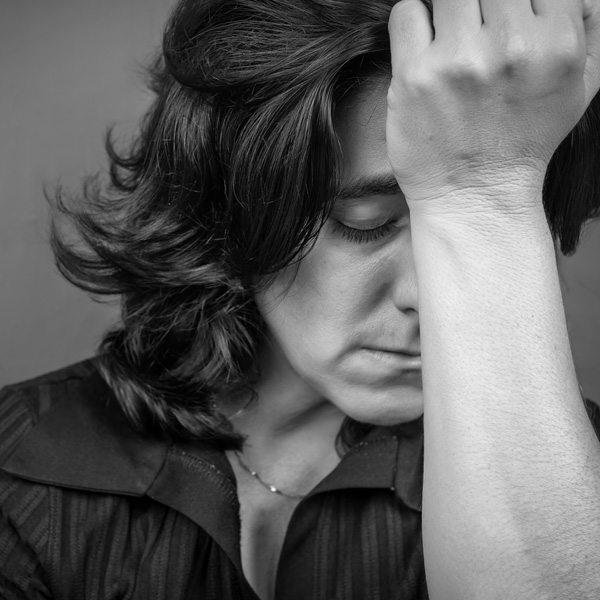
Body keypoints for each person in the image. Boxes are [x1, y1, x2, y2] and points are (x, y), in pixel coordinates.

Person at [1, 0, 600, 598]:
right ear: (228, 213)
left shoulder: (581, 488)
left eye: (497, 229)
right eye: (367, 223)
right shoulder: (20, 462)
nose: (430, 299)